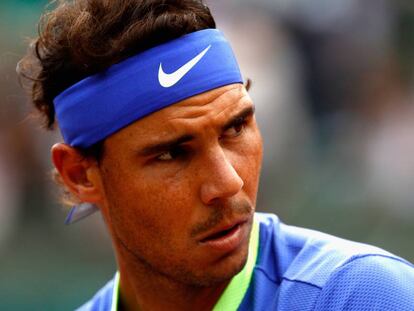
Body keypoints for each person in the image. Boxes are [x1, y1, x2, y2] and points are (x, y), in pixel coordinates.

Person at [17, 1, 414, 310]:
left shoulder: (366, 297)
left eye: (236, 128)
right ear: (80, 175)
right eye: (172, 153)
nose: (228, 182)